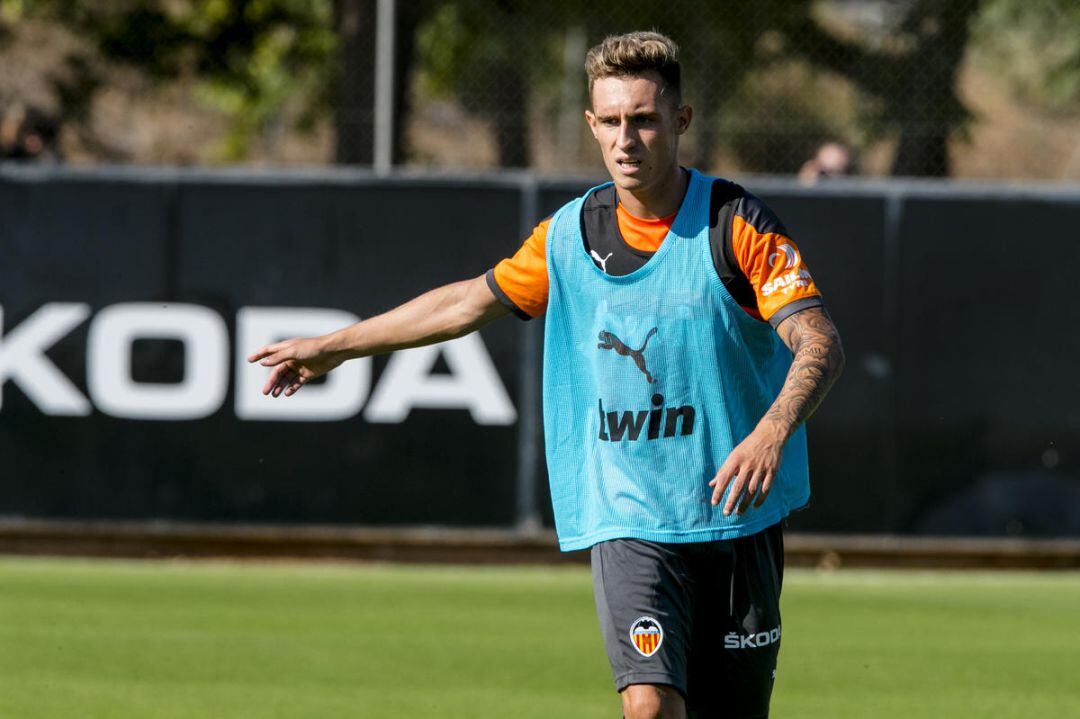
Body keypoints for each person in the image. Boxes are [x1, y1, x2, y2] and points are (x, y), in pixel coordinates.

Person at [250, 31, 844, 719]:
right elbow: (467, 302)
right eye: (612, 121)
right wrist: (338, 346)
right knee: (649, 706)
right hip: (629, 516)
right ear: (592, 125)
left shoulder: (733, 226)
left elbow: (819, 340)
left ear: (679, 122)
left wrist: (773, 429)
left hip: (737, 520)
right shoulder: (571, 237)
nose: (628, 139)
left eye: (645, 119)